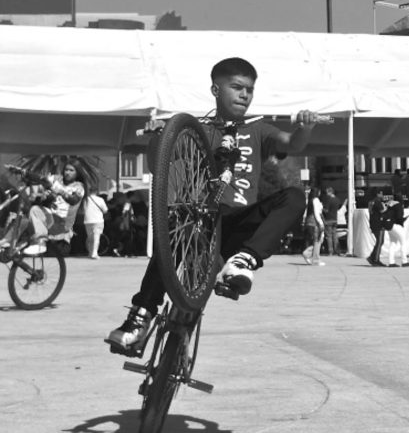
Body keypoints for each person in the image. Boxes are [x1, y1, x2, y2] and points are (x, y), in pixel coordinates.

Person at [106, 56, 321, 352]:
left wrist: (305, 128)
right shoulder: (197, 129)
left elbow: (292, 143)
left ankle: (243, 261)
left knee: (296, 196)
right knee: (173, 223)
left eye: (249, 89)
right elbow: (160, 164)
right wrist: (158, 137)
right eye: (236, 87)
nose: (245, 94)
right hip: (200, 221)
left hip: (239, 223)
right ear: (215, 90)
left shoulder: (259, 129)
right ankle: (140, 317)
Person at [26, 160, 88, 257]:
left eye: (71, 170)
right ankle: (9, 244)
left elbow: (73, 200)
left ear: (77, 173)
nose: (67, 172)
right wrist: (24, 173)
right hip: (51, 220)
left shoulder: (79, 187)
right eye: (66, 170)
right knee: (33, 211)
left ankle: (40, 241)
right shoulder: (57, 180)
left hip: (62, 225)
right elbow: (41, 179)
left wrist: (60, 190)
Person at [302, 187, 325, 265]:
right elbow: (317, 213)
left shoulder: (310, 201)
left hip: (309, 222)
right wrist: (320, 223)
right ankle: (315, 259)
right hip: (315, 222)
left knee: (317, 241)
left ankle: (307, 253)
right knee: (317, 240)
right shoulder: (316, 200)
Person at [366, 188, 389, 266]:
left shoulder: (371, 201)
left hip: (373, 223)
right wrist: (387, 207)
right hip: (378, 223)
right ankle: (376, 259)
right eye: (381, 193)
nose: (382, 195)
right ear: (378, 194)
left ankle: (372, 257)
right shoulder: (377, 201)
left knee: (379, 241)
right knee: (379, 242)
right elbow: (382, 211)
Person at [83, 191, 109, 258]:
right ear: (96, 192)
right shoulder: (100, 200)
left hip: (87, 220)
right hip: (98, 220)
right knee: (96, 237)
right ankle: (94, 253)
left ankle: (90, 252)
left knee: (90, 237)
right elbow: (105, 210)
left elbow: (82, 210)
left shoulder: (85, 200)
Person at [322, 186, 343, 256]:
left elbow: (326, 210)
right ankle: (338, 250)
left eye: (327, 192)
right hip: (335, 219)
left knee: (329, 236)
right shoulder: (337, 200)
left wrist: (322, 208)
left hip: (328, 219)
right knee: (335, 236)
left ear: (329, 192)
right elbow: (339, 208)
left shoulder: (329, 200)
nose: (326, 194)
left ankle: (330, 251)